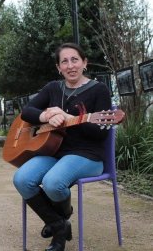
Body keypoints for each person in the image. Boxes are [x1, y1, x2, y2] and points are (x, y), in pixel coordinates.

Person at [13, 42, 112, 251]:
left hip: (88, 155)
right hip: (53, 151)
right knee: (22, 179)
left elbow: (99, 133)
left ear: (84, 63)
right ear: (59, 68)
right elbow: (26, 111)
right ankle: (60, 223)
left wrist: (70, 118)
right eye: (64, 61)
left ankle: (58, 234)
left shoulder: (99, 90)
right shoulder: (52, 88)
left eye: (75, 59)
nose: (70, 65)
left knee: (52, 182)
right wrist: (45, 115)